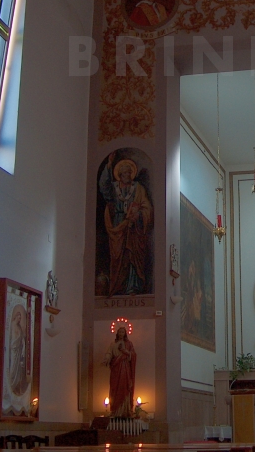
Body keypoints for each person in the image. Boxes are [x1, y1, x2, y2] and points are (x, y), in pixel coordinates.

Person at [99, 157, 153, 296]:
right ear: (120, 175)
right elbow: (103, 187)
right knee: (118, 257)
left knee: (132, 255)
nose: (127, 176)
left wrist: (139, 215)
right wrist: (109, 166)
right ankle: (118, 287)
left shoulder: (138, 189)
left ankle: (133, 286)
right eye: (124, 174)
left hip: (134, 228)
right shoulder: (114, 188)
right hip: (118, 225)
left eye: (129, 173)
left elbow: (147, 207)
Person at [103, 327, 137, 418]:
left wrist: (125, 351)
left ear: (125, 333)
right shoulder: (113, 344)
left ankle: (124, 410)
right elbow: (109, 353)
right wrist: (107, 359)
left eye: (123, 332)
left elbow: (133, 355)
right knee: (114, 388)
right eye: (120, 332)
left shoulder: (129, 344)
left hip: (125, 368)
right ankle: (114, 410)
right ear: (117, 333)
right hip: (115, 368)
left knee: (124, 387)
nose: (121, 333)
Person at [8, 307, 30, 395]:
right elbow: (13, 340)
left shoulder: (19, 327)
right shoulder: (13, 325)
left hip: (19, 350)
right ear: (16, 317)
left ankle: (16, 386)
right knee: (13, 368)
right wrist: (18, 340)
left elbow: (22, 338)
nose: (20, 319)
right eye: (19, 317)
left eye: (21, 318)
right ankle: (12, 384)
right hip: (14, 350)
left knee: (18, 369)